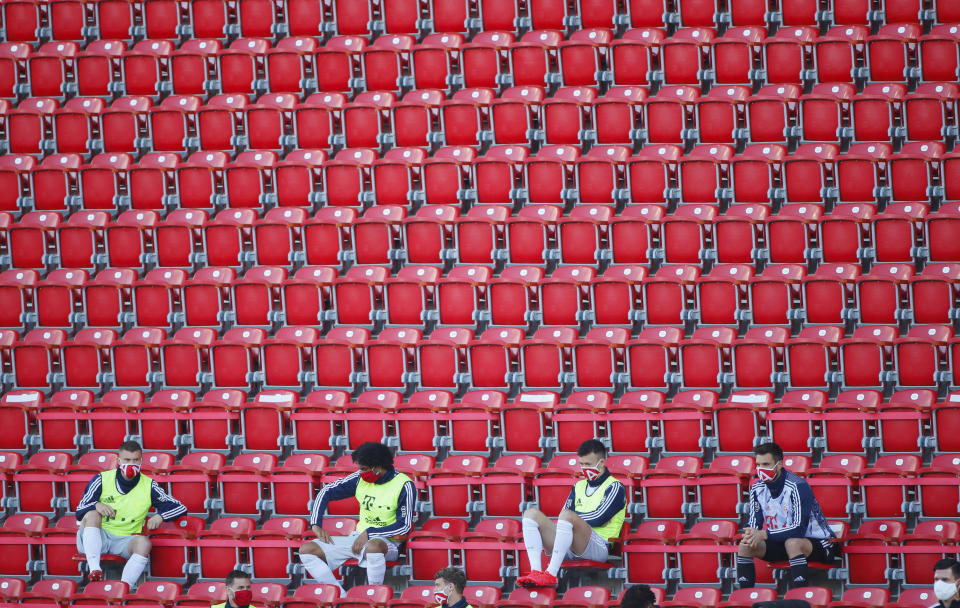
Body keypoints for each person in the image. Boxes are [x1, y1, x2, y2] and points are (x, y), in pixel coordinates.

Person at [299, 441, 416, 594]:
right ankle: (341, 595)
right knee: (306, 549)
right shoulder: (359, 478)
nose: (360, 473)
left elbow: (405, 526)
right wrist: (315, 524)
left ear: (377, 466)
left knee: (373, 546)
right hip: (358, 538)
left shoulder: (404, 484)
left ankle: (374, 596)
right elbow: (325, 492)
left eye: (364, 469)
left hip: (389, 542)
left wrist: (369, 533)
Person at [516, 439, 627, 588]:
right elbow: (568, 516)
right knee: (530, 514)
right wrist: (580, 518)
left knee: (568, 516)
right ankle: (535, 571)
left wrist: (576, 517)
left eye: (588, 464)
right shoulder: (578, 486)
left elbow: (599, 518)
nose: (583, 468)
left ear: (601, 463)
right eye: (581, 464)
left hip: (599, 546)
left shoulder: (615, 486)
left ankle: (551, 574)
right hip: (570, 543)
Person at [75, 440, 187, 585]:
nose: (131, 464)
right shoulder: (102, 479)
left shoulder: (149, 485)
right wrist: (96, 505)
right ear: (119, 460)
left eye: (135, 460)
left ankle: (125, 587)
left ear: (141, 461)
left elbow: (179, 507)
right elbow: (79, 510)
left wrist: (160, 516)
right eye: (127, 460)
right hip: (99, 536)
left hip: (125, 540)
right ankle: (95, 570)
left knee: (144, 543)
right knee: (92, 514)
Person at [736, 441, 838, 589]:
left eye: (765, 464)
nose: (760, 469)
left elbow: (798, 530)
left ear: (778, 464)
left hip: (818, 543)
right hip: (780, 542)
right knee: (745, 545)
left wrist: (763, 534)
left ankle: (798, 598)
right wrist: (750, 534)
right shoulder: (756, 487)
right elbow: (754, 522)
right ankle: (745, 598)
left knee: (793, 542)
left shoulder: (798, 486)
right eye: (758, 465)